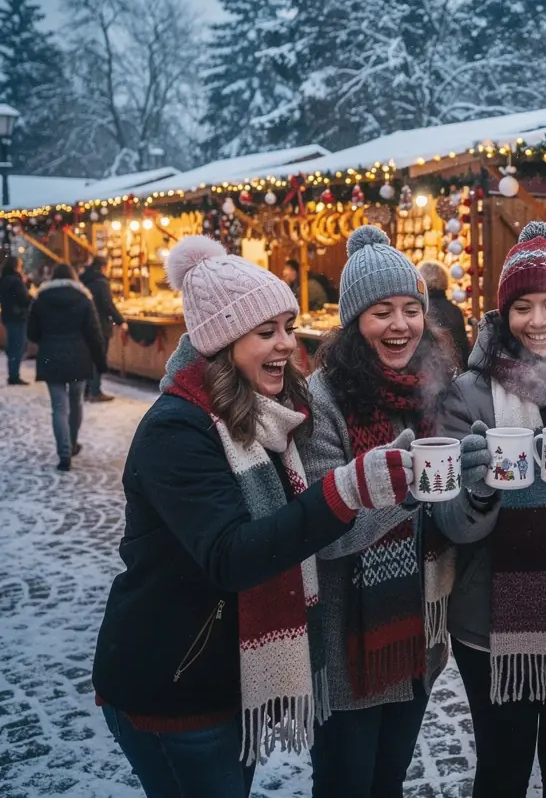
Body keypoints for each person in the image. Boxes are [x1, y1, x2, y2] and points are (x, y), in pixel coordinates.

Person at [92, 236, 414, 798]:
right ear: (221, 343)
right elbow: (234, 554)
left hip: (225, 678)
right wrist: (347, 490)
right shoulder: (176, 429)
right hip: (174, 683)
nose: (287, 344)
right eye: (267, 332)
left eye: (288, 327)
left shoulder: (265, 419)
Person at [435, 222, 546, 798]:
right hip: (488, 623)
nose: (538, 321)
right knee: (500, 772)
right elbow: (454, 524)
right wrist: (481, 487)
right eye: (522, 307)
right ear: (503, 314)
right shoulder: (469, 393)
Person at [299, 224, 460, 798]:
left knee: (388, 781)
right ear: (353, 324)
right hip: (349, 643)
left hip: (418, 632)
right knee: (347, 784)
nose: (400, 326)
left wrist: (475, 473)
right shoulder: (324, 398)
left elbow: (451, 513)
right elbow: (320, 533)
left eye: (411, 309)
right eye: (381, 312)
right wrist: (406, 490)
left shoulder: (438, 387)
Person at [27, 263, 108, 471]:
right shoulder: (83, 298)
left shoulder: (40, 299)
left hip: (51, 358)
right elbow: (94, 332)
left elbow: (32, 333)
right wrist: (100, 362)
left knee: (58, 408)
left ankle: (64, 453)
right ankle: (72, 444)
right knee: (76, 403)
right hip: (78, 357)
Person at [81, 255, 124, 402]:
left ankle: (86, 390)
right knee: (98, 358)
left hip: (87, 324)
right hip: (100, 326)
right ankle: (95, 391)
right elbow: (108, 305)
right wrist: (120, 321)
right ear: (103, 267)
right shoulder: (101, 283)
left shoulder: (84, 280)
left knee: (89, 358)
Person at [418, 259, 470, 370]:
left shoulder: (420, 310)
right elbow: (463, 347)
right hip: (454, 370)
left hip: (427, 372)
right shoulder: (455, 310)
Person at [0, 255, 32, 385]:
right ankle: (14, 376)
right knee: (17, 346)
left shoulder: (4, 279)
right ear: (16, 266)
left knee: (13, 346)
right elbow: (24, 299)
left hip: (8, 315)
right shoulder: (16, 281)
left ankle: (13, 373)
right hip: (18, 316)